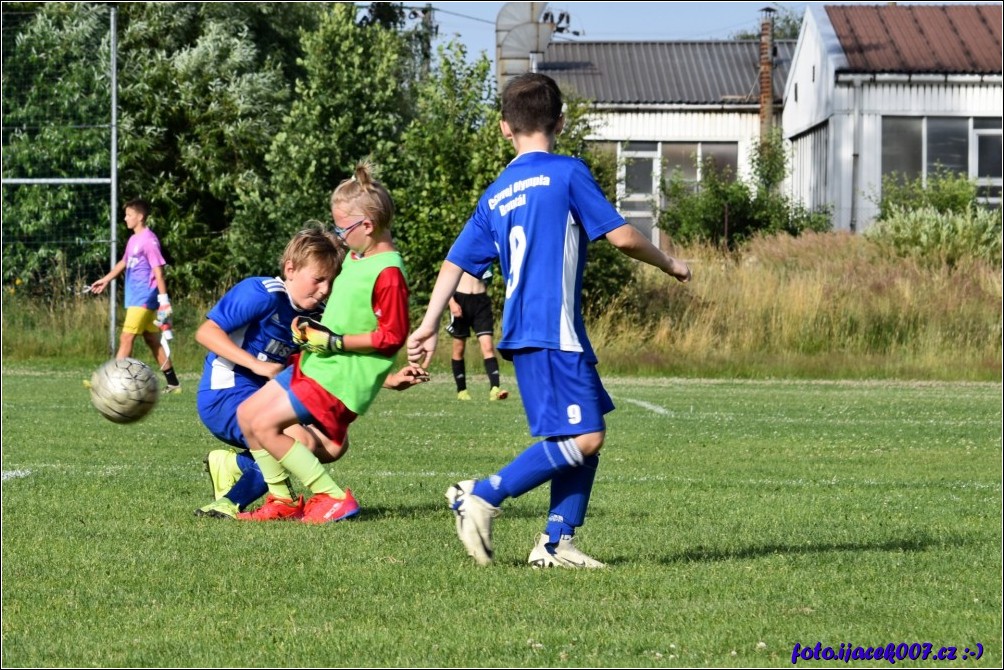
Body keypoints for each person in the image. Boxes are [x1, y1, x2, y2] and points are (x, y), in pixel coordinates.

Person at [407, 73, 691, 568]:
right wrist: (670, 263)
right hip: (551, 326)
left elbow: (455, 262)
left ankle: (556, 543)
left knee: (582, 434)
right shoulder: (566, 172)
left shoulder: (495, 193)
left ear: (503, 128)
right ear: (560, 121)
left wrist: (429, 322)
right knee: (586, 437)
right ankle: (483, 494)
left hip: (527, 330)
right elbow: (622, 237)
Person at [195, 226, 428, 520]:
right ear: (290, 269)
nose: (325, 290)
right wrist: (257, 365)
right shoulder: (261, 293)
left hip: (264, 394)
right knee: (300, 442)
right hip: (225, 393)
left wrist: (391, 380)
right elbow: (206, 332)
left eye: (331, 282)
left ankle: (235, 466)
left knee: (333, 446)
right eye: (318, 279)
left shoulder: (314, 317)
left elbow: (331, 360)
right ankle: (233, 503)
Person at [235, 160, 412, 524]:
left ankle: (331, 496)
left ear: (367, 225)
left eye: (342, 227)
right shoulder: (357, 258)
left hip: (337, 379)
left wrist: (333, 341)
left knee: (267, 426)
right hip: (315, 365)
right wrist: (310, 331)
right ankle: (282, 501)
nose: (339, 235)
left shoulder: (389, 272)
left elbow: (392, 337)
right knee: (247, 416)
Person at [89, 197, 181, 393]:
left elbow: (159, 271)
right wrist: (105, 279)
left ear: (139, 217)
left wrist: (164, 302)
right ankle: (174, 384)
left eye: (129, 215)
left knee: (126, 338)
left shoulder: (149, 241)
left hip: (144, 297)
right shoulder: (133, 239)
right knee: (152, 340)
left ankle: (112, 381)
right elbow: (123, 262)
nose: (125, 218)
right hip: (136, 297)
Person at [447, 270, 509, 401]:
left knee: (488, 347)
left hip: (481, 301)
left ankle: (495, 389)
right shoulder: (457, 250)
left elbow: (489, 276)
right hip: (460, 299)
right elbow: (447, 278)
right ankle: (462, 390)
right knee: (458, 348)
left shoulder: (489, 251)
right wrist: (451, 302)